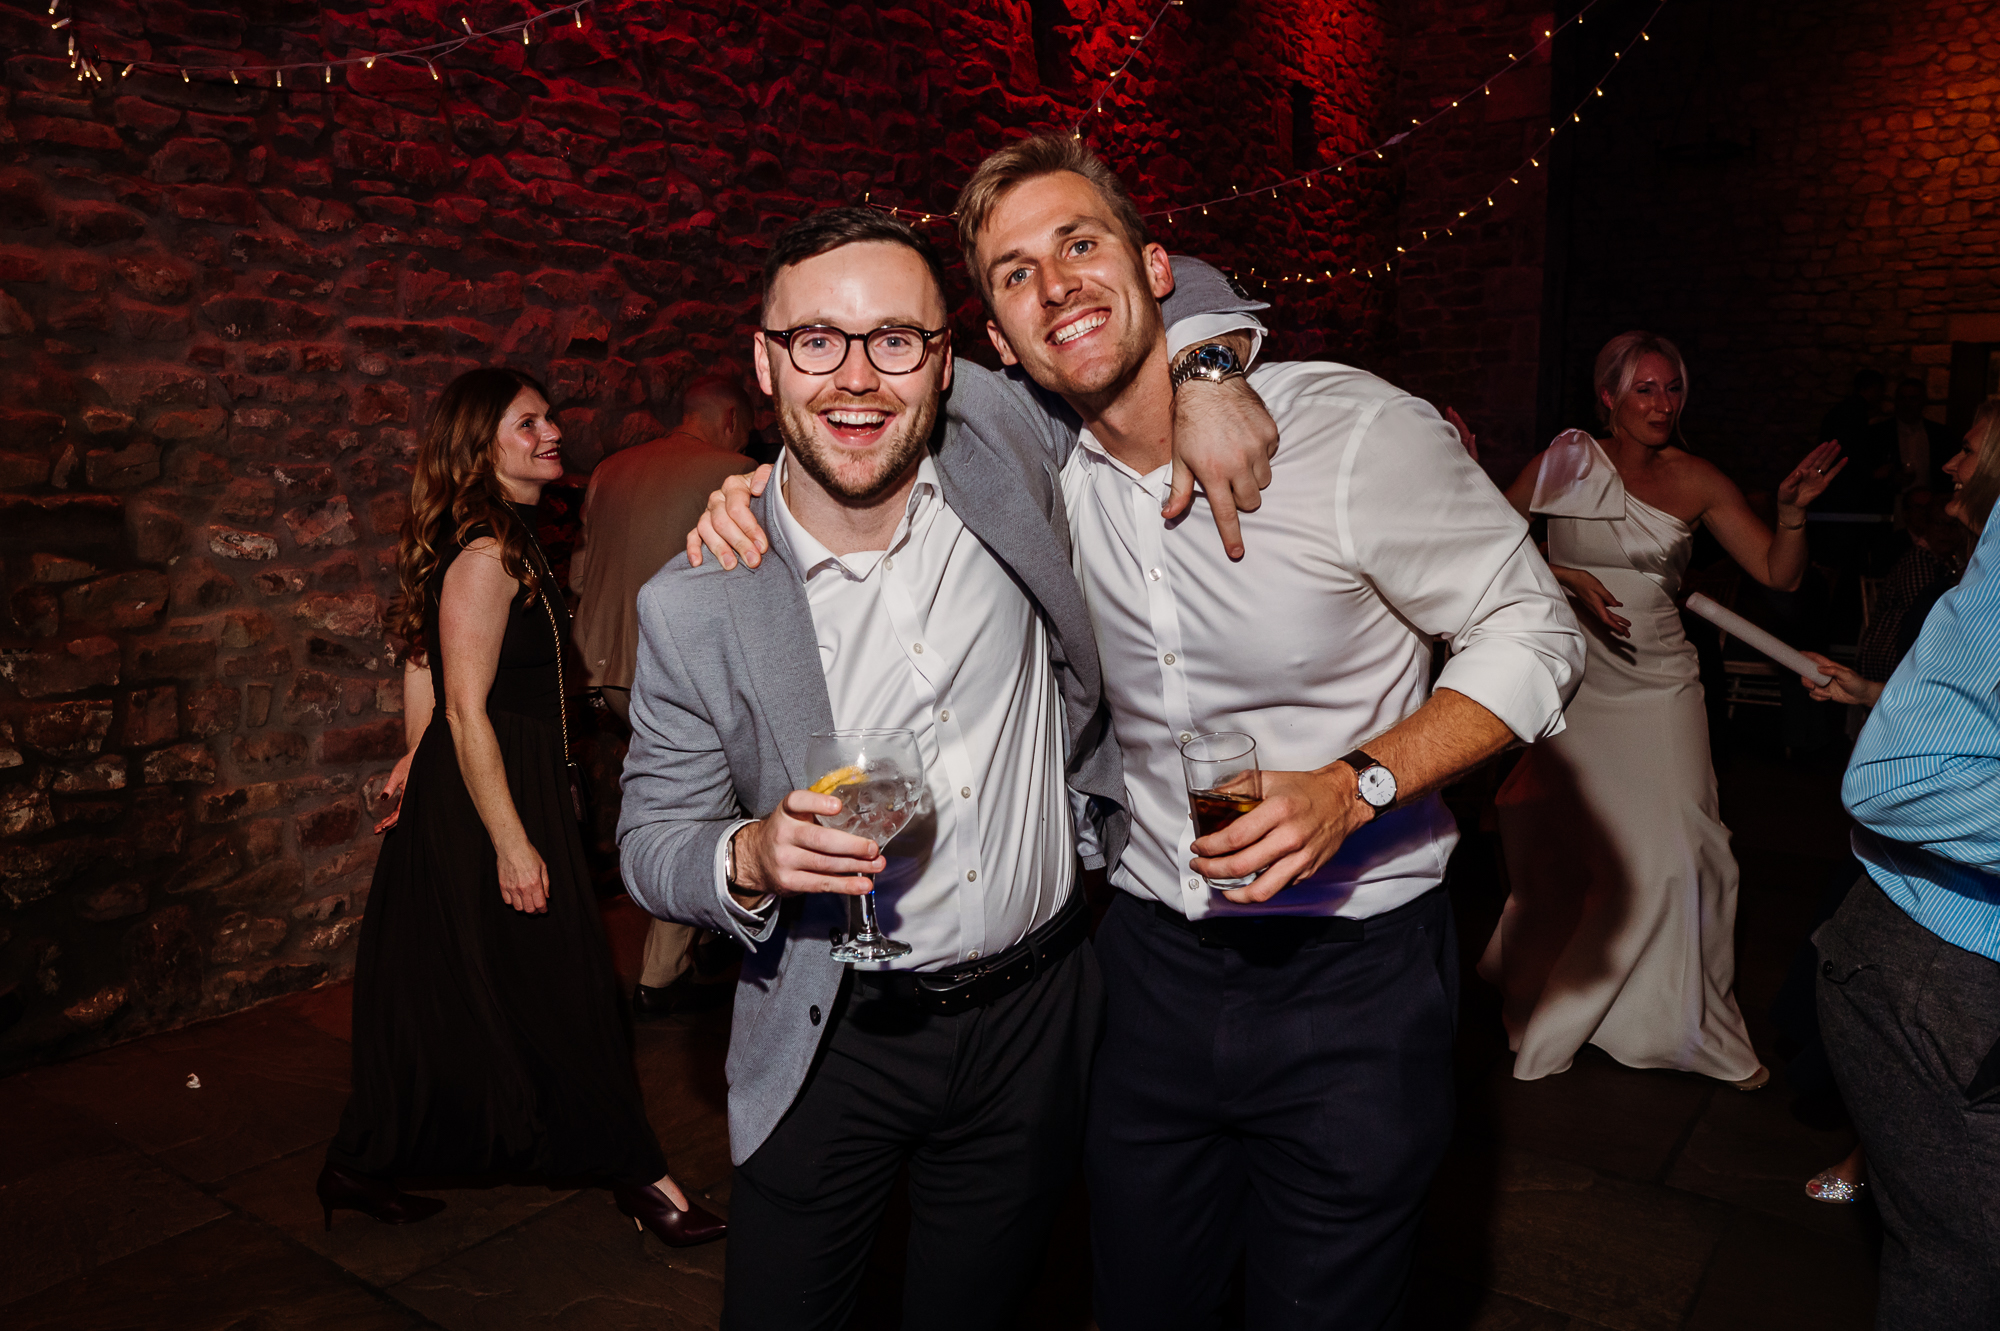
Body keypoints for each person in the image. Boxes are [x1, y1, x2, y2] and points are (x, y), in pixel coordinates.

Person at [697, 137, 1585, 1330]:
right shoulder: (1041, 470)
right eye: (1014, 274)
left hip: (1355, 977)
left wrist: (1355, 784)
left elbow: (1533, 630)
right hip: (1150, 970)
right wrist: (747, 490)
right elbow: (860, 417)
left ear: (1154, 266)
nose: (1056, 281)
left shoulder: (1346, 432)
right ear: (997, 349)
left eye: (1080, 243)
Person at [620, 208, 1276, 1331]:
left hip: (1036, 1013)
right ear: (764, 360)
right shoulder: (696, 603)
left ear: (946, 360)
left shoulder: (1005, 452)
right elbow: (648, 841)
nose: (856, 375)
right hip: (833, 1032)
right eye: (817, 340)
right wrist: (750, 852)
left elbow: (1150, 286)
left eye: (895, 340)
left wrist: (1208, 367)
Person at [319, 367, 724, 1251]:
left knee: (452, 990)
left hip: (486, 778)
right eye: (528, 422)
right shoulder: (487, 553)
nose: (553, 433)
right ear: (481, 444)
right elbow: (466, 704)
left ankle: (362, 1161)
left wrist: (410, 752)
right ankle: (638, 1174)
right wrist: (512, 841)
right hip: (494, 794)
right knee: (569, 986)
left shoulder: (502, 538)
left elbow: (428, 662)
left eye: (548, 417)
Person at [1477, 333, 1846, 1089]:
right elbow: (1482, 541)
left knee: (1686, 848)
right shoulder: (1568, 460)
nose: (1661, 403)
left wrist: (1790, 513)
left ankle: (1680, 1024)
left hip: (1662, 683)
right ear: (1607, 397)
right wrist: (1561, 570)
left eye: (1672, 388)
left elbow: (1779, 571)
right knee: (1583, 854)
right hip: (1579, 685)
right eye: (1643, 389)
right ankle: (1572, 1002)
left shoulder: (1697, 477)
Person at [1813, 405, 2000, 1331]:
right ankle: (1872, 1160)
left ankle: (1870, 1160)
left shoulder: (1957, 551)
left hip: (1914, 898)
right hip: (1915, 917)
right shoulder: (1937, 550)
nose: (1953, 463)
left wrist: (1876, 693)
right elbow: (1911, 764)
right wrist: (1883, 699)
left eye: (1969, 447)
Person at [570, 372, 759, 1018]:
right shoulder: (737, 470)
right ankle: (664, 969)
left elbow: (580, 567)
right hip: (674, 672)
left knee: (674, 795)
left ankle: (710, 931)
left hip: (597, 668)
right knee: (699, 804)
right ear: (732, 419)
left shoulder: (610, 469)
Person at [1864, 376, 1952, 506]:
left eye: (1913, 398)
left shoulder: (1939, 434)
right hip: (1890, 504)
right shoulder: (1878, 433)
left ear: (1923, 402)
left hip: (1930, 504)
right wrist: (1891, 479)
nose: (1907, 403)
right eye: (1902, 398)